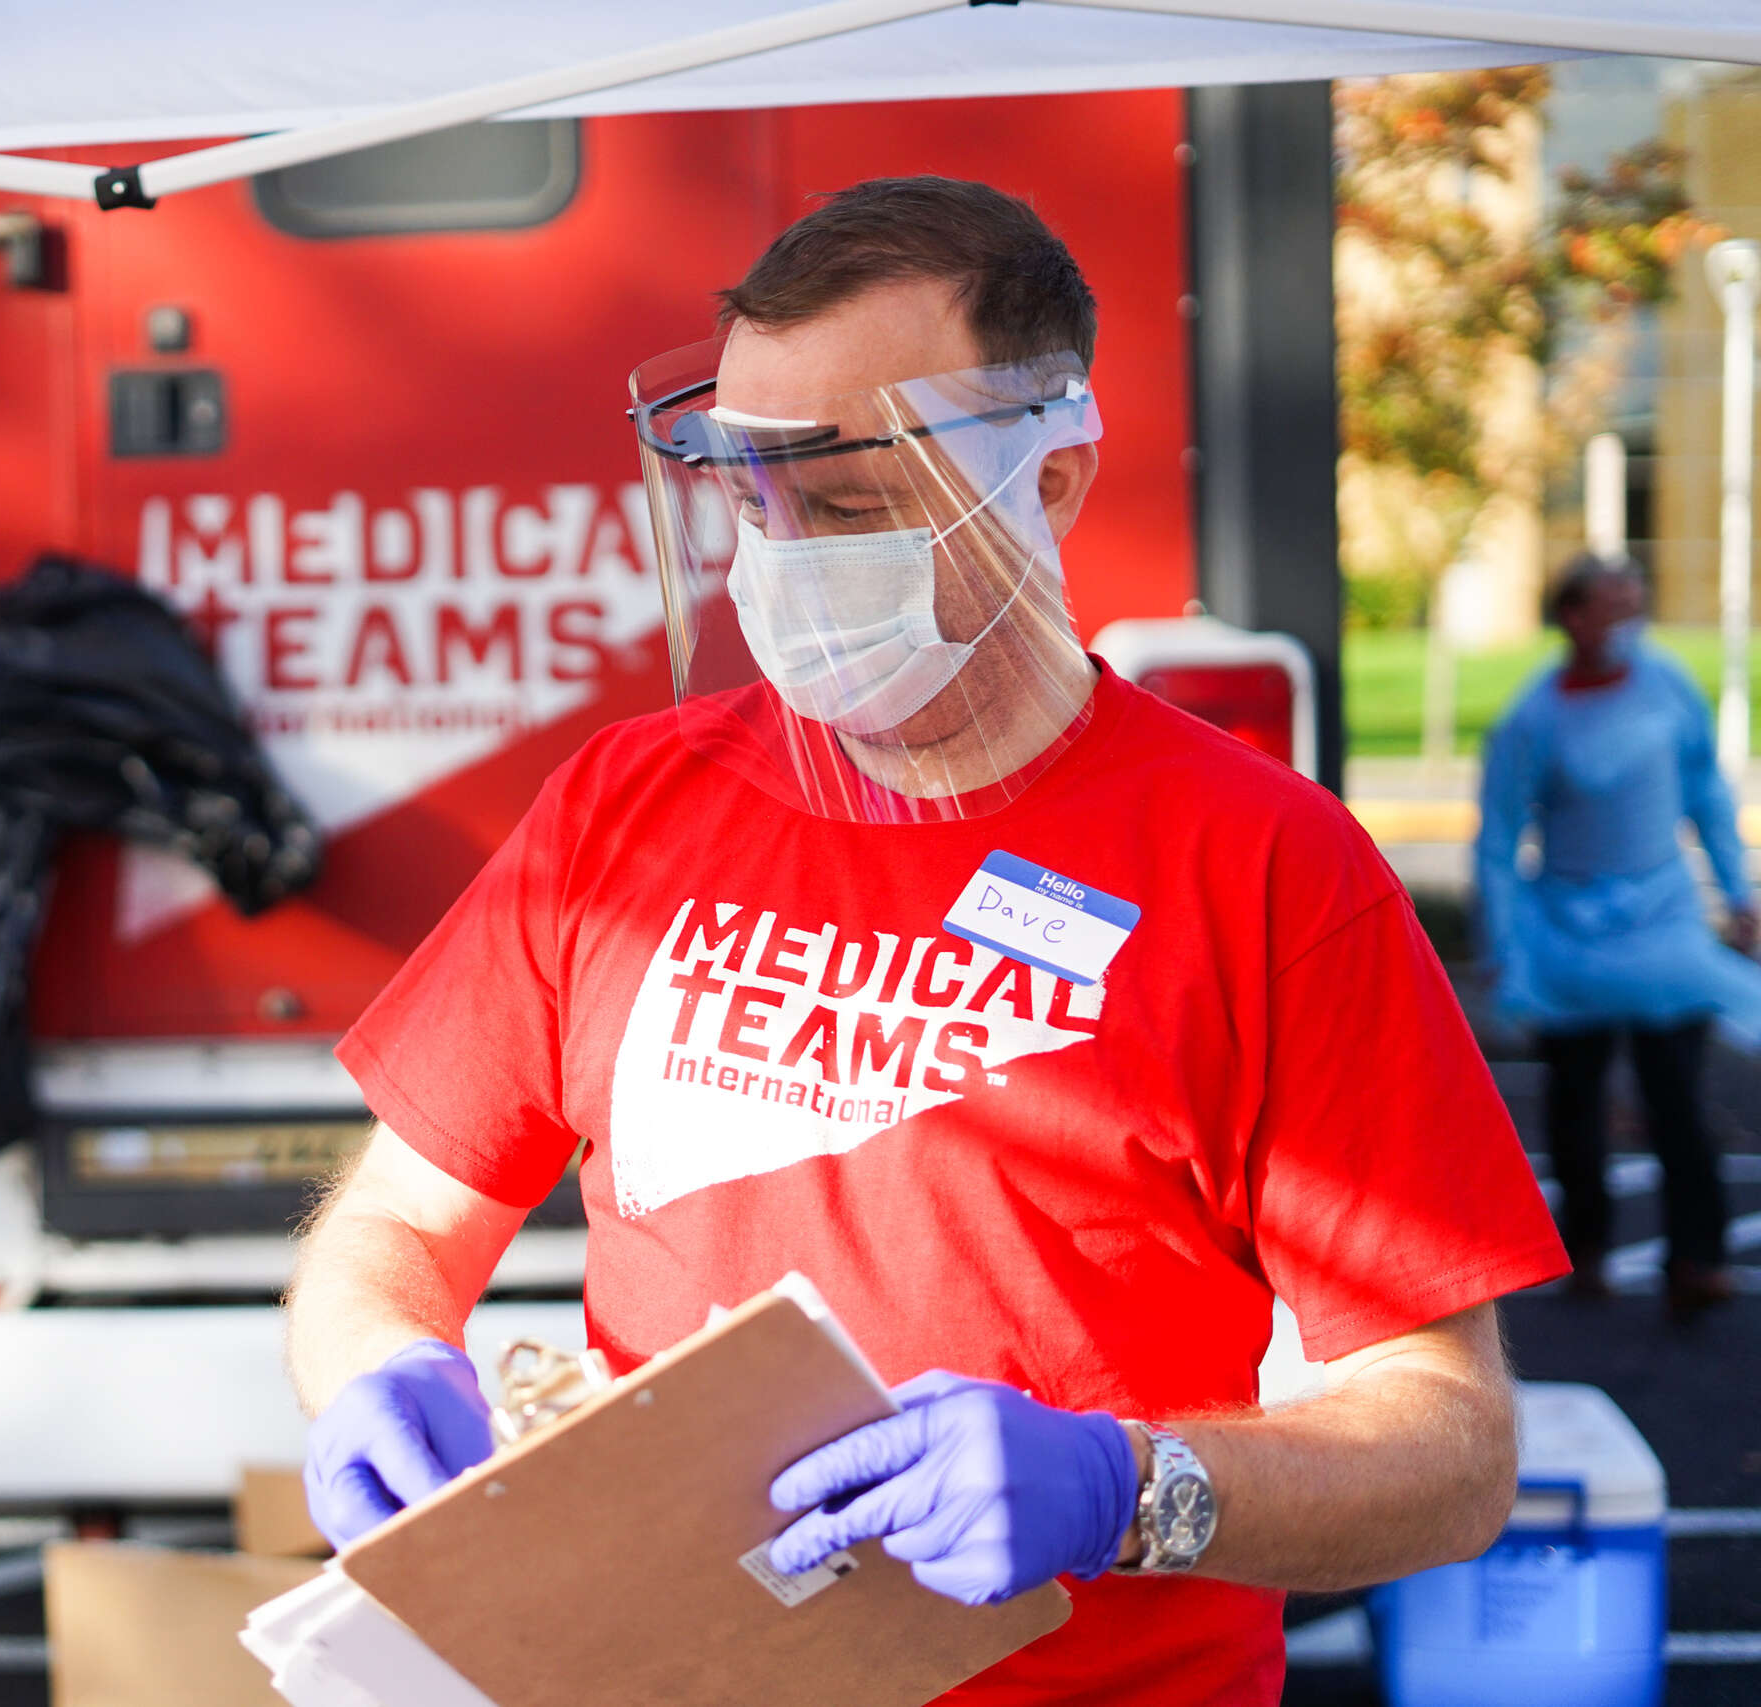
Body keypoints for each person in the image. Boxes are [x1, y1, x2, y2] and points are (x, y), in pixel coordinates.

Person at [287, 177, 1568, 1705]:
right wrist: (372, 1358)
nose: (782, 554)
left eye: (845, 505)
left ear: (1058, 478)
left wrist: (1135, 1487)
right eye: (752, 499)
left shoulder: (1264, 863)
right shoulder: (621, 809)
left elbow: (1450, 1445)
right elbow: (396, 1227)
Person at [1476, 551, 1760, 1321]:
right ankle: (1590, 1248)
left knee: (1678, 1097)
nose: (1630, 623)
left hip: (1664, 927)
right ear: (1571, 617)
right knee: (1576, 1101)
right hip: (1573, 939)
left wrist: (1739, 891)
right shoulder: (1534, 719)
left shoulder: (1667, 686)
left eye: (1637, 604)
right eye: (1614, 606)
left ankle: (1696, 1259)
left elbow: (1705, 787)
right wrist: (1506, 948)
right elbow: (1499, 841)